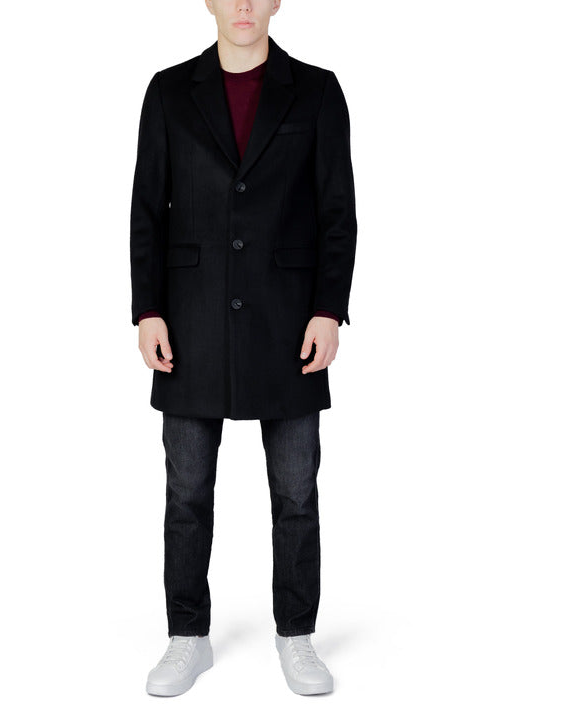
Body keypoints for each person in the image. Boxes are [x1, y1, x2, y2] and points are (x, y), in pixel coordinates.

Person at [129, 0, 357, 696]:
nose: (244, 6)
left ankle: (296, 634)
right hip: (190, 319)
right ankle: (187, 636)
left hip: (287, 321)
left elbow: (337, 211)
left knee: (295, 490)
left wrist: (328, 309)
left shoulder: (317, 90)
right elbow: (146, 210)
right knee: (186, 491)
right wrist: (147, 310)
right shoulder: (169, 91)